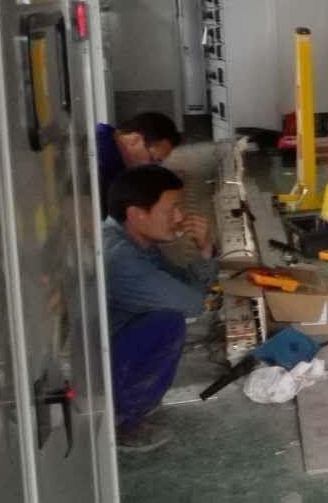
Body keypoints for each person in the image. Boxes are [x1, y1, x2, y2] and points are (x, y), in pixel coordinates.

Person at [103, 165, 216, 452]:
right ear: (136, 214)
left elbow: (183, 282)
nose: (179, 217)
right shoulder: (121, 259)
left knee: (167, 316)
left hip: (109, 345)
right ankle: (121, 421)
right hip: (98, 363)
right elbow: (192, 304)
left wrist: (204, 248)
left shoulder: (134, 240)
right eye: (171, 209)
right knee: (167, 324)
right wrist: (201, 273)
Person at [95, 112, 182, 218]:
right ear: (134, 140)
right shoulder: (101, 164)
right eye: (152, 159)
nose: (151, 168)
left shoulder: (103, 139)